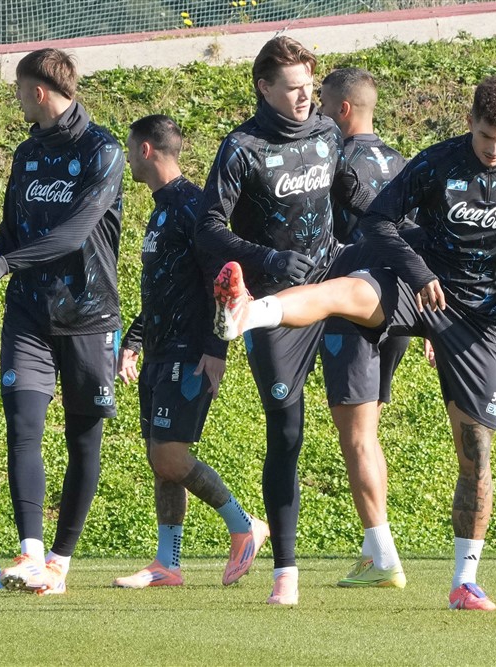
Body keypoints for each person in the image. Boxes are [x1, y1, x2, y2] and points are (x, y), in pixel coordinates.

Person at [214, 76, 496, 610]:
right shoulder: (437, 163)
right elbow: (379, 220)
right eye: (486, 136)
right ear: (470, 122)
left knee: (476, 454)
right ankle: (250, 312)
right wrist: (418, 271)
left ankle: (464, 582)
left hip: (480, 323)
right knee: (345, 292)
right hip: (420, 288)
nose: (494, 148)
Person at [195, 36, 374, 606]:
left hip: (332, 288)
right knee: (287, 434)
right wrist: (269, 259)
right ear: (264, 87)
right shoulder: (241, 147)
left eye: (309, 87)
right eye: (293, 88)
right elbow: (208, 229)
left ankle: (381, 550)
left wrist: (387, 222)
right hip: (275, 304)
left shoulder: (326, 132)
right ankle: (286, 573)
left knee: (364, 420)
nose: (304, 98)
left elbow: (348, 194)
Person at [0, 48, 125, 595]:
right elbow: (12, 231)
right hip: (28, 313)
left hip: (88, 314)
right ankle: (31, 554)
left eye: (19, 90)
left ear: (38, 92)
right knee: (23, 427)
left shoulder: (104, 150)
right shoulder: (26, 153)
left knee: (82, 440)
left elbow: (73, 235)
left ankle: (60, 563)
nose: (17, 99)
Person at [112, 115, 269, 590]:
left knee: (170, 456)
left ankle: (245, 524)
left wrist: (217, 347)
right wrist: (134, 341)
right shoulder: (162, 209)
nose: (127, 158)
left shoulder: (192, 208)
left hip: (190, 352)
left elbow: (221, 282)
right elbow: (164, 287)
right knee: (159, 459)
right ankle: (168, 563)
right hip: (159, 352)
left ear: (145, 150)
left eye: (129, 149)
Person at [316, 67, 411, 588]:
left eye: (322, 104)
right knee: (367, 432)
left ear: (344, 109)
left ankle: (383, 556)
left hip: (352, 306)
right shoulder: (402, 164)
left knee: (356, 438)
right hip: (400, 309)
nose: (317, 112)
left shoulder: (333, 160)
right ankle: (375, 548)